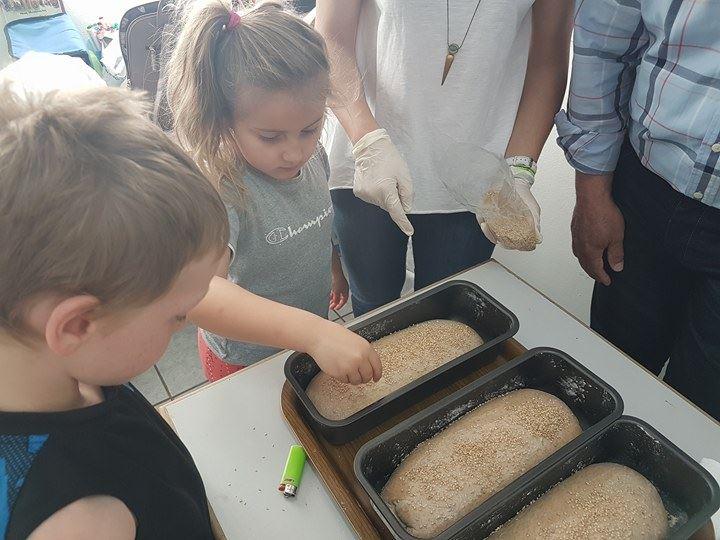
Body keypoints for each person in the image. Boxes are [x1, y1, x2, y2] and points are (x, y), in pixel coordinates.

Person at [0, 84, 380, 538]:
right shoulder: (77, 520)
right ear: (78, 324)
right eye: (176, 316)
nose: (186, 320)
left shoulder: (73, 370)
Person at [316, 0, 572, 316]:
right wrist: (367, 140)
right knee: (372, 305)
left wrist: (519, 171)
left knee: (445, 313)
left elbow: (548, 62)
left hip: (474, 173)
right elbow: (330, 38)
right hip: (368, 151)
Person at [165, 0, 364, 381]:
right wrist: (313, 332)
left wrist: (334, 266)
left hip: (302, 345)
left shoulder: (313, 157)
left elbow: (317, 222)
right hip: (244, 360)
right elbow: (199, 293)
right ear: (223, 119)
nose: (296, 151)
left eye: (310, 127)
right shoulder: (224, 189)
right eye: (270, 137)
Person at [557, 1, 720, 420]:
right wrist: (592, 187)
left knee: (702, 424)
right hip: (645, 194)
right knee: (603, 387)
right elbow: (605, 40)